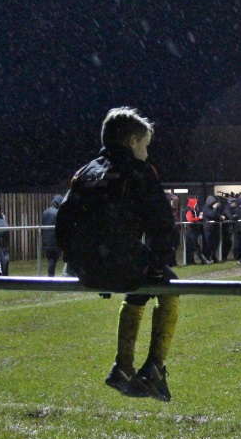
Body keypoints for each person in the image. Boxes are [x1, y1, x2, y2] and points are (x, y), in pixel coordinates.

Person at [65, 106, 179, 402]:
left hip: (88, 269)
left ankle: (124, 368)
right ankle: (154, 366)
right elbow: (162, 224)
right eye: (145, 145)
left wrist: (76, 264)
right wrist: (158, 264)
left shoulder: (85, 172)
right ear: (132, 141)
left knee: (139, 281)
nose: (146, 153)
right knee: (167, 284)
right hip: (120, 264)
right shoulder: (139, 171)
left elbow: (64, 222)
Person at [41, 194, 62, 276]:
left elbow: (42, 227)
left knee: (51, 260)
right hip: (55, 241)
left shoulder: (45, 212)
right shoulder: (57, 213)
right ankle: (51, 277)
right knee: (53, 260)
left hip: (47, 241)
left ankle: (50, 276)